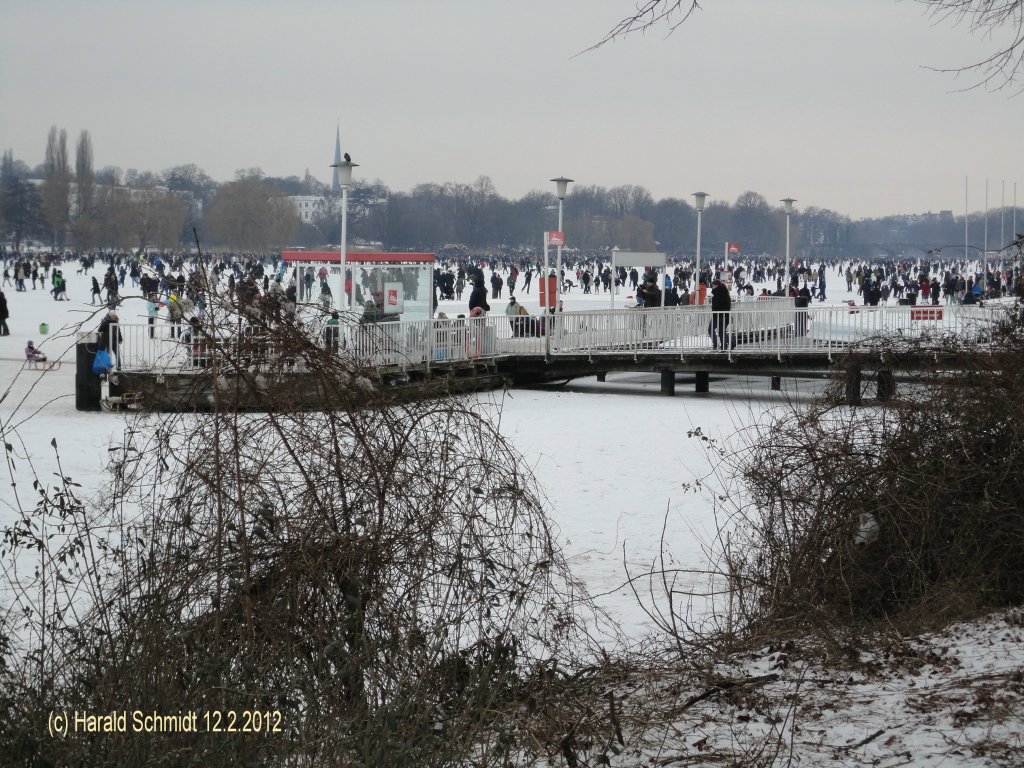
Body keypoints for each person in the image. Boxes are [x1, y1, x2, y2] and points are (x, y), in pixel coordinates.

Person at [709, 278, 732, 350]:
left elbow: (718, 304)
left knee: (712, 329)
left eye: (712, 286)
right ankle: (726, 344)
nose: (712, 287)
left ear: (716, 285)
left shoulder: (718, 292)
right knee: (721, 331)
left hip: (719, 315)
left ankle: (718, 344)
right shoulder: (724, 292)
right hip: (723, 315)